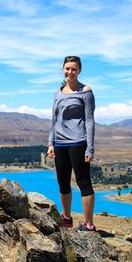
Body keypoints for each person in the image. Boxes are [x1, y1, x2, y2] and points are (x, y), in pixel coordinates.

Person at [47, 55, 96, 232]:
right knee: (63, 182)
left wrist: (90, 147)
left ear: (79, 70)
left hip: (78, 142)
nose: (70, 72)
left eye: (73, 69)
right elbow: (54, 119)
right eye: (67, 68)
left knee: (83, 182)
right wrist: (50, 142)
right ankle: (66, 218)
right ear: (63, 69)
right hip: (59, 143)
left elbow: (89, 121)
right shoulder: (58, 92)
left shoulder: (86, 91)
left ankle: (88, 224)